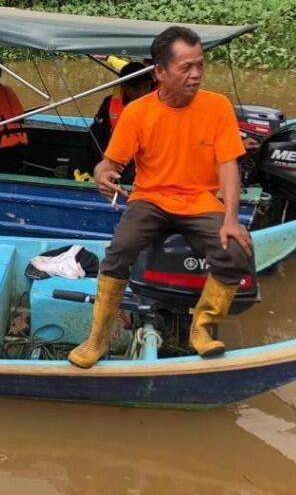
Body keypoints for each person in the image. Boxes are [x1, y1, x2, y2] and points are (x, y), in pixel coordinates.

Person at [68, 26, 254, 368]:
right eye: (186, 68)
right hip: (150, 199)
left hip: (200, 201)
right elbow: (108, 165)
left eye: (199, 65)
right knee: (118, 252)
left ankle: (202, 327)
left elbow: (229, 165)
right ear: (160, 72)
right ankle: (97, 339)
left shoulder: (217, 107)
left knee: (236, 252)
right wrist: (101, 175)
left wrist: (230, 219)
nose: (196, 74)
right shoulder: (138, 113)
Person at [86, 60, 156, 175]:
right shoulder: (109, 104)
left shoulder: (160, 102)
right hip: (122, 157)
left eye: (146, 86)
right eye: (137, 89)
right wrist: (109, 160)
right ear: (125, 87)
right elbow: (97, 135)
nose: (143, 92)